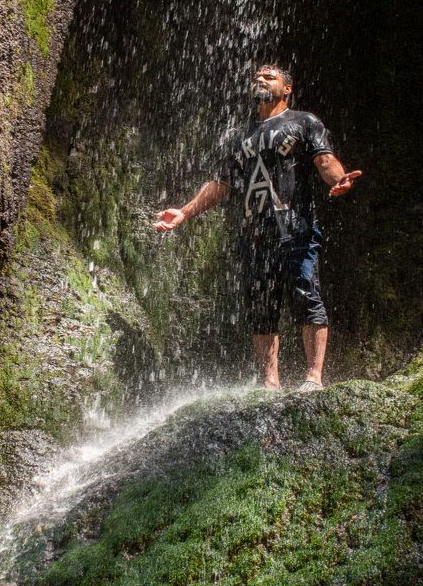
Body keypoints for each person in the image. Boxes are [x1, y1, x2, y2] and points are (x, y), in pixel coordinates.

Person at [153, 64, 361, 391]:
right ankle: (270, 384)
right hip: (255, 238)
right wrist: (184, 212)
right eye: (256, 78)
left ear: (287, 89)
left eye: (269, 77)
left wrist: (339, 179)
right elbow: (221, 183)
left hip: (297, 229)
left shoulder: (304, 122)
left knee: (307, 296)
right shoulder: (240, 135)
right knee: (261, 309)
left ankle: (313, 378)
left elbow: (325, 160)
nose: (259, 80)